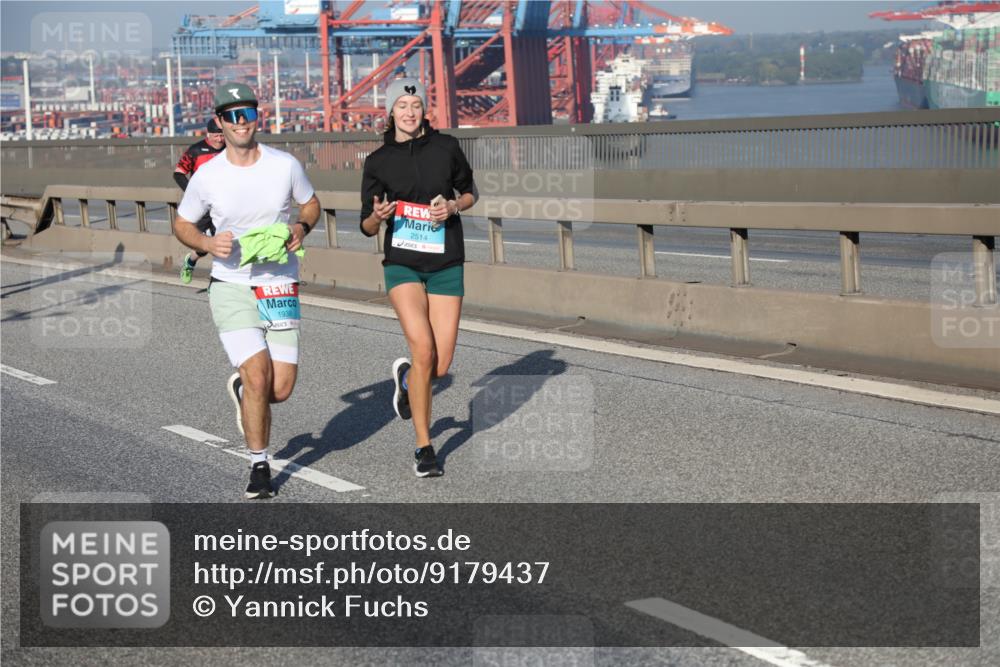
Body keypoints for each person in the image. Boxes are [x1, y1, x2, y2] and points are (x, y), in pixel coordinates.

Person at [173, 82, 320, 499]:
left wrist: (300, 227)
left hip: (279, 287)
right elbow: (182, 223)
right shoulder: (207, 175)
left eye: (248, 114)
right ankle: (259, 465)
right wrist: (205, 244)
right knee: (259, 376)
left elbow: (310, 204)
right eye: (231, 116)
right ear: (218, 122)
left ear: (258, 118)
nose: (241, 123)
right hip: (231, 285)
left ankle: (244, 391)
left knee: (280, 389)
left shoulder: (284, 165)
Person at [359, 78, 477, 478]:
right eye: (402, 105)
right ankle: (424, 447)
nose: (409, 112)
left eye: (415, 104)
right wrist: (379, 216)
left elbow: (470, 192)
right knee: (422, 347)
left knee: (439, 367)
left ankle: (408, 380)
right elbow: (366, 226)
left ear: (424, 109)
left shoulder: (446, 147)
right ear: (390, 111)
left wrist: (453, 207)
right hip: (403, 264)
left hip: (446, 260)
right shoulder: (377, 161)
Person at [174, 118, 225, 284]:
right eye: (216, 136)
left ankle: (217, 283)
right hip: (203, 206)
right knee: (204, 247)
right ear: (208, 134)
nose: (220, 139)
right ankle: (190, 261)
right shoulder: (196, 150)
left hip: (223, 205)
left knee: (224, 244)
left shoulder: (230, 149)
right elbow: (178, 173)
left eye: (222, 135)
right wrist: (193, 194)